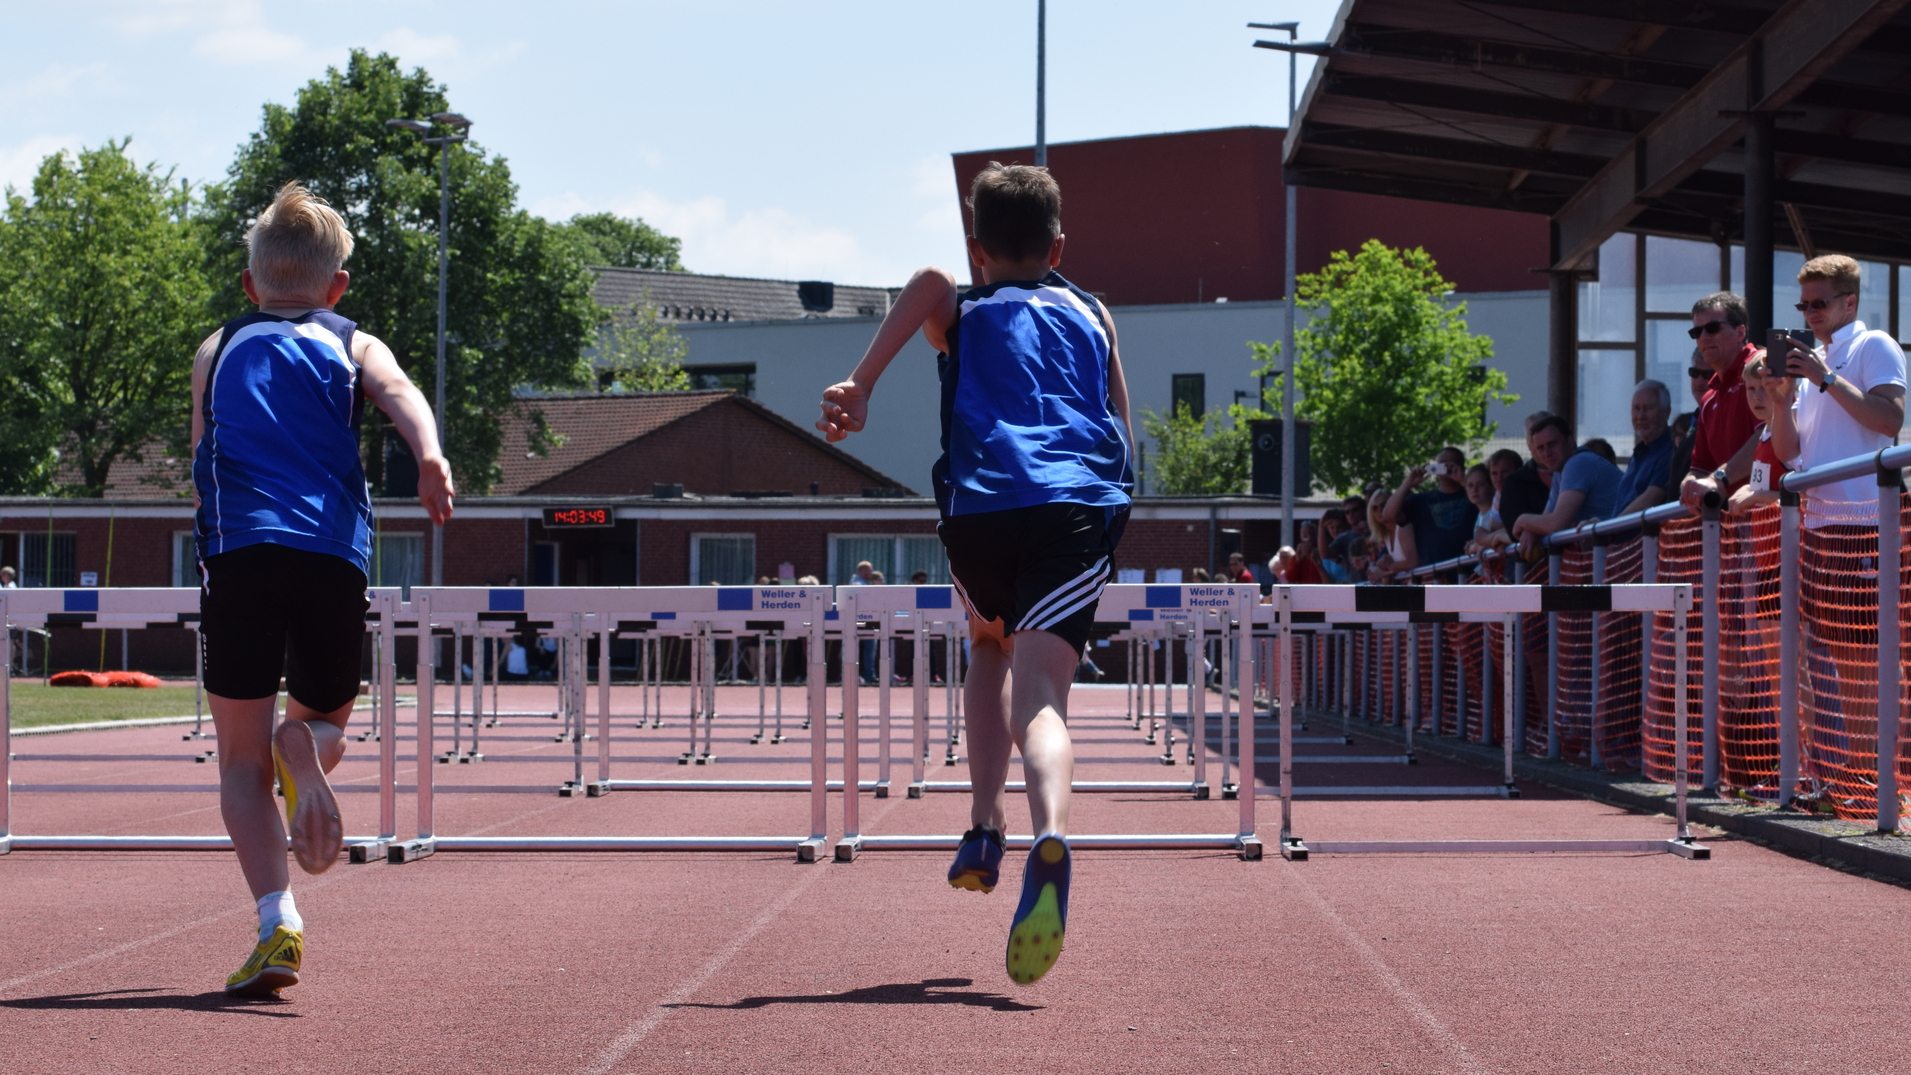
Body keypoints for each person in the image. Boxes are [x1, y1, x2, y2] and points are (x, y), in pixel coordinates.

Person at [815, 162, 1131, 986]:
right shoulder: (1093, 312)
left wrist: (861, 382)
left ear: (977, 250)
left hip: (980, 511)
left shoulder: (963, 307)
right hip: (1072, 506)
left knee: (988, 644)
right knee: (1042, 697)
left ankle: (984, 825)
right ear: (1058, 247)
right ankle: (1049, 831)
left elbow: (927, 280)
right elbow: (1123, 426)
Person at [192, 183, 452, 998]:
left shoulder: (217, 347)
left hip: (240, 552)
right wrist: (429, 455)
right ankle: (304, 749)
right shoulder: (351, 340)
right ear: (336, 287)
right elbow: (400, 391)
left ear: (250, 284)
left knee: (240, 760)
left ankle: (278, 920)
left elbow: (201, 454)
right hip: (333, 555)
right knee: (318, 723)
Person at [1766, 254, 1908, 527]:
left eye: (1819, 303)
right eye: (1803, 305)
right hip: (1817, 523)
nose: (1809, 313)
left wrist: (1825, 378)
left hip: (1866, 522)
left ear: (1850, 303)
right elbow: (1788, 453)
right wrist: (1780, 404)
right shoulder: (1814, 360)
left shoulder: (1874, 343)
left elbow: (1891, 421)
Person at [1679, 292, 1762, 509]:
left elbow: (1768, 436)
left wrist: (1718, 479)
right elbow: (1700, 467)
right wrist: (1689, 485)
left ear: (1740, 332)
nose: (1704, 337)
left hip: (1774, 517)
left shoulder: (1761, 369)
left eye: (1713, 328)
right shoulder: (1709, 399)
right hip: (1737, 519)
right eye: (1697, 332)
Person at [1512, 415, 1621, 551]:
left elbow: (1557, 524)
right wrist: (1532, 530)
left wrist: (1522, 520)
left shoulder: (1578, 462)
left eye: (1552, 444)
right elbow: (1547, 519)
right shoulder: (1559, 472)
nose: (1547, 453)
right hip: (1621, 545)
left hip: (1631, 543)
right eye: (1540, 448)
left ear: (1570, 442)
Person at [1382, 445, 1472, 576]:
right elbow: (1388, 515)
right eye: (1442, 464)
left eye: (1452, 463)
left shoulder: (1473, 496)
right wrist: (1409, 482)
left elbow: (1488, 505)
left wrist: (1464, 480)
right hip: (1436, 579)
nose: (1447, 467)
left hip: (1472, 575)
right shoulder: (1420, 501)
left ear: (1462, 467)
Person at [1616, 380, 1675, 515]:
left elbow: (1649, 501)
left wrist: (1610, 526)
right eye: (1636, 409)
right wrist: (1602, 522)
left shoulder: (1671, 451)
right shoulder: (1639, 452)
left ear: (1666, 412)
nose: (1640, 416)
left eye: (1648, 409)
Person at [1499, 412, 1556, 538]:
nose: (1543, 446)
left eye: (1549, 440)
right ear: (1528, 444)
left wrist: (1532, 528)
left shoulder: (1576, 470)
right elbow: (1515, 530)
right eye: (1534, 438)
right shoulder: (1515, 482)